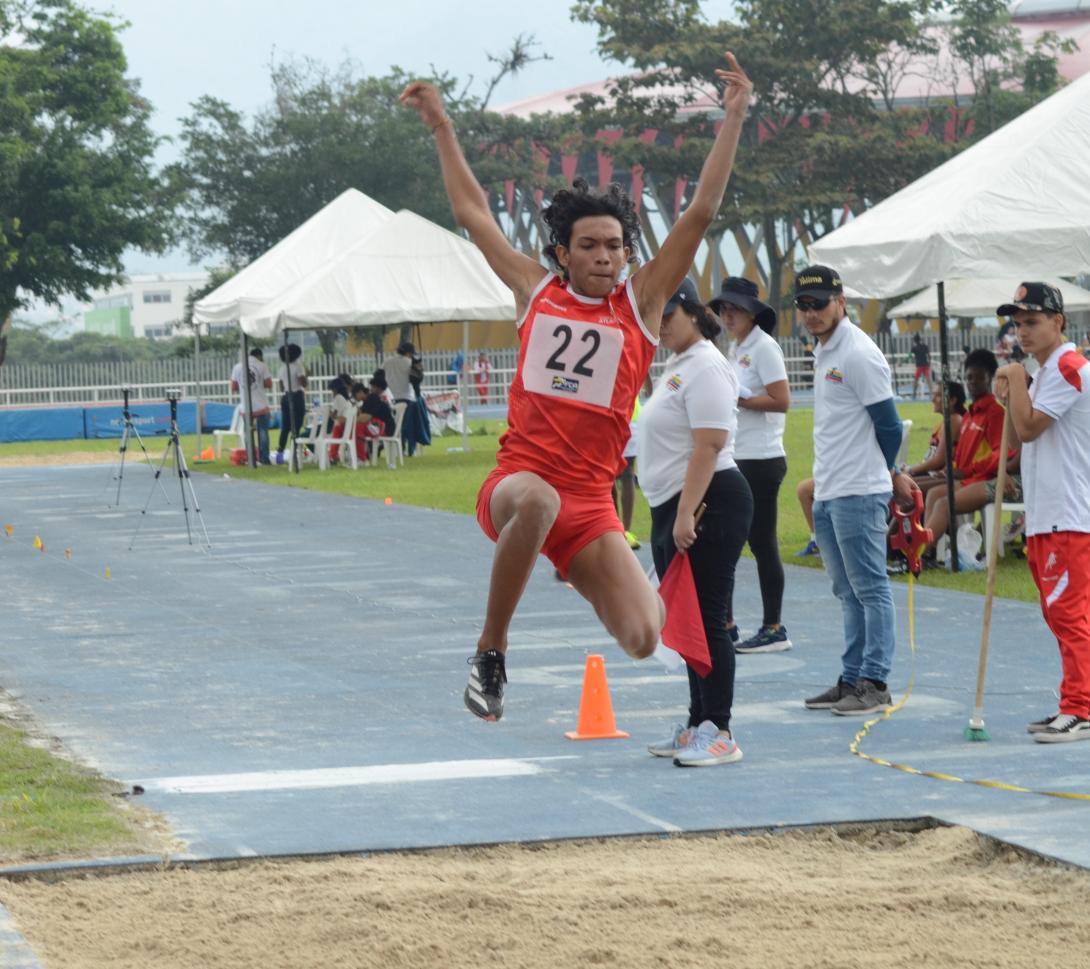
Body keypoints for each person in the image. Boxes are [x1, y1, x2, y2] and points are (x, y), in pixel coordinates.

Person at [401, 52, 753, 721]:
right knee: (535, 501)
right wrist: (443, 128)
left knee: (645, 637)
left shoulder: (641, 304)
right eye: (588, 245)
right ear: (562, 252)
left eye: (614, 246)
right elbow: (474, 213)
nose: (602, 256)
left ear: (627, 254)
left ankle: (590, 567)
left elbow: (701, 212)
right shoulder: (536, 291)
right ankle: (491, 654)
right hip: (518, 483)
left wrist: (732, 117)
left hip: (591, 502)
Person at [794, 265, 918, 716]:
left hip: (859, 490)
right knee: (846, 590)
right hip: (828, 488)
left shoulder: (859, 353)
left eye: (820, 304)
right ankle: (851, 678)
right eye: (803, 306)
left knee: (870, 588)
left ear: (841, 300)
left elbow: (887, 423)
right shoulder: (824, 349)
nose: (811, 314)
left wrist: (890, 472)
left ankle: (875, 681)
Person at [640, 279, 752, 766]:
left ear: (691, 310)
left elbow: (708, 444)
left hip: (710, 502)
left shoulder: (707, 364)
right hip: (675, 503)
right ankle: (697, 721)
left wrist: (686, 513)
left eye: (668, 314)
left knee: (707, 619)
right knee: (683, 621)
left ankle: (720, 729)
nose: (661, 324)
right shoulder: (678, 364)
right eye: (655, 316)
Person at [995, 283, 1090, 742]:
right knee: (1058, 614)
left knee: (1069, 615)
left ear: (1058, 322)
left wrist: (1015, 378)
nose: (1022, 331)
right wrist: (1013, 391)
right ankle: (1073, 700)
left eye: (1032, 321)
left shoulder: (1069, 367)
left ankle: (1080, 706)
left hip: (1069, 515)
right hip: (1047, 514)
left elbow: (1029, 429)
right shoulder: (1046, 372)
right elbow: (1016, 441)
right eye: (1017, 323)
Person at [710, 276, 792, 653]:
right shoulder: (738, 347)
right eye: (724, 309)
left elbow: (781, 399)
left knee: (760, 541)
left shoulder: (764, 347)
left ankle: (773, 626)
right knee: (729, 539)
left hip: (761, 456)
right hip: (739, 454)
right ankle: (725, 622)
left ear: (752, 313)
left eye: (735, 309)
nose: (728, 316)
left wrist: (740, 399)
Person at [919, 349, 1014, 565]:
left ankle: (922, 554)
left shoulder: (994, 413)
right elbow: (962, 454)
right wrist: (953, 467)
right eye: (968, 377)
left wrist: (968, 470)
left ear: (990, 378)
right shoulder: (970, 413)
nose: (971, 382)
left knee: (941, 501)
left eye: (977, 377)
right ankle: (932, 552)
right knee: (930, 493)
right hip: (963, 477)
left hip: (981, 479)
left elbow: (1002, 453)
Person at [904, 380, 966, 493]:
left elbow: (939, 460)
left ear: (952, 400)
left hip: (945, 476)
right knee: (900, 483)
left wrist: (910, 469)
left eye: (937, 396)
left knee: (903, 487)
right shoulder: (945, 422)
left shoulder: (954, 420)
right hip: (934, 473)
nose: (932, 399)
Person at [230, 347, 273, 465]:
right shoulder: (262, 365)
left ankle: (251, 458)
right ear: (259, 356)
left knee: (247, 433)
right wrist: (258, 383)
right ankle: (264, 459)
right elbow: (269, 384)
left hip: (246, 407)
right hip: (261, 406)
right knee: (263, 432)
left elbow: (233, 387)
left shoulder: (237, 367)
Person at [275, 343, 308, 462]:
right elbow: (303, 383)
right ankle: (294, 453)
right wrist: (307, 375)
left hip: (285, 397)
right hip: (296, 396)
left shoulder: (282, 368)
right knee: (296, 426)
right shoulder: (298, 367)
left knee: (285, 427)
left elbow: (281, 387)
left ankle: (280, 454)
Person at [351, 377, 395, 462]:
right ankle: (361, 455)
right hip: (377, 426)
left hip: (385, 428)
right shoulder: (368, 401)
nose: (371, 389)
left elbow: (366, 418)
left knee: (357, 428)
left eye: (373, 387)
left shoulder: (373, 398)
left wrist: (350, 421)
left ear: (360, 392)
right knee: (357, 427)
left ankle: (361, 458)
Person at [909, 333, 931, 399]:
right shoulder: (925, 346)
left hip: (919, 366)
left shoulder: (914, 348)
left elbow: (909, 356)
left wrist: (902, 362)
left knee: (916, 380)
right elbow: (929, 355)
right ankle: (931, 394)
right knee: (928, 379)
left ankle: (914, 395)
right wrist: (929, 363)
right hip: (925, 365)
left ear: (915, 340)